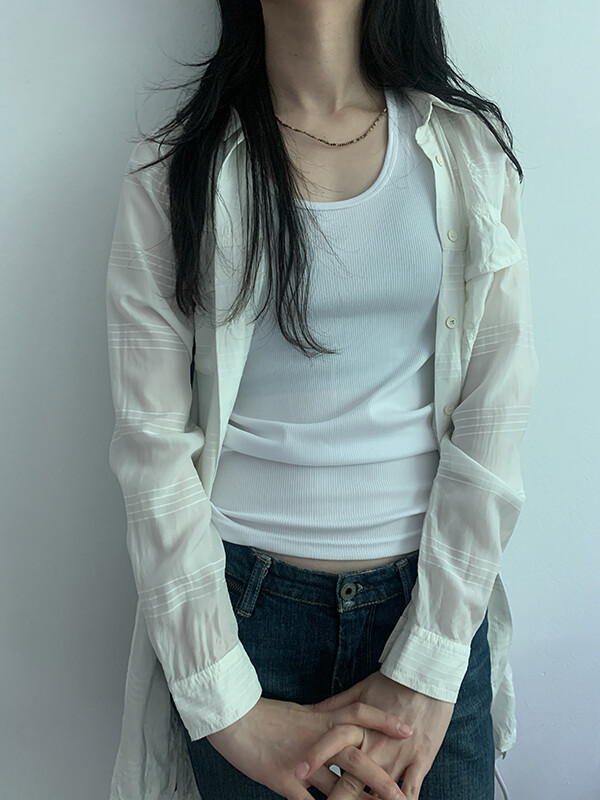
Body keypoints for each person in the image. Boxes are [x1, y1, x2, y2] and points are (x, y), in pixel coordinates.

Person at [105, 0, 539, 798]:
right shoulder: (173, 167)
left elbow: (495, 418)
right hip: (241, 622)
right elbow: (150, 449)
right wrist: (227, 706)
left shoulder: (467, 149)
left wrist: (430, 660)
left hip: (432, 602)